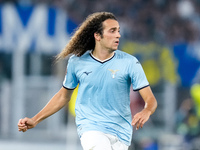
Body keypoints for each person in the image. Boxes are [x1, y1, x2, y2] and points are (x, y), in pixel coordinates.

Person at [18, 12, 157, 150]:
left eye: (119, 31)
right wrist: (35, 119)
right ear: (97, 35)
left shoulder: (130, 62)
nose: (118, 35)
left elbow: (150, 99)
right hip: (91, 128)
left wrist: (147, 111)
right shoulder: (77, 62)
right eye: (112, 31)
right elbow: (62, 96)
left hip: (121, 133)